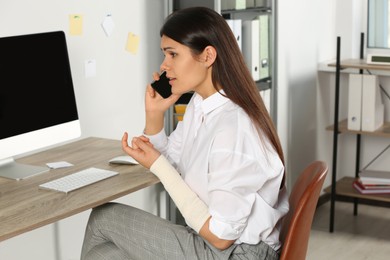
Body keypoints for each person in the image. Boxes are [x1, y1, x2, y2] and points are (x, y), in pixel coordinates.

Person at [81, 6, 289, 260]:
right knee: (106, 254)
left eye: (173, 54)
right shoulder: (201, 104)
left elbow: (222, 236)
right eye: (164, 54)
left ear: (207, 56)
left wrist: (158, 165)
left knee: (104, 218)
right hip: (219, 245)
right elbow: (173, 161)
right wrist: (154, 115)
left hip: (237, 252)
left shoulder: (233, 128)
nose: (164, 65)